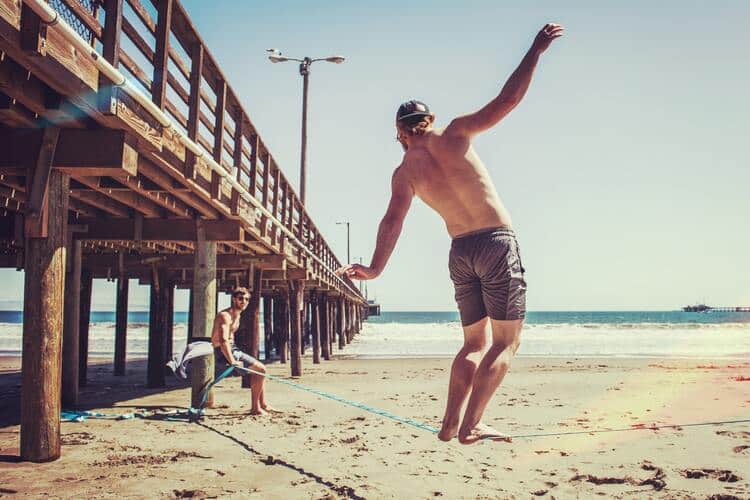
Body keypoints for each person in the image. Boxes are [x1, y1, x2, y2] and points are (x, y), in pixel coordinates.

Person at [337, 24, 564, 444]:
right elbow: (508, 100)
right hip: (495, 242)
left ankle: (449, 423)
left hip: (460, 251)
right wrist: (536, 49)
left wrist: (374, 268)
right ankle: (472, 425)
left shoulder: (405, 171)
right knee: (507, 343)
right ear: (429, 120)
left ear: (402, 132)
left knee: (473, 344)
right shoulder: (456, 133)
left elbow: (392, 221)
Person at [211, 287, 274, 415]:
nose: (243, 301)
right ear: (234, 299)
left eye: (246, 299)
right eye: (240, 298)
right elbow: (223, 341)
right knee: (261, 370)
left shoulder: (237, 315)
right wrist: (232, 360)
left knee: (258, 371)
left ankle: (263, 404)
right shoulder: (225, 316)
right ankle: (255, 408)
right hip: (222, 351)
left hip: (232, 349)